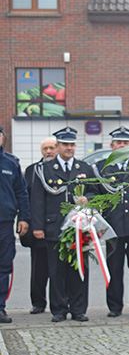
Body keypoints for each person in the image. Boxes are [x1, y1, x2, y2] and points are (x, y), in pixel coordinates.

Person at [30, 127, 95, 322]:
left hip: (79, 228)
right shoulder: (44, 169)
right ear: (57, 146)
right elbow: (37, 199)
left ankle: (79, 309)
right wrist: (38, 226)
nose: (69, 148)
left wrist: (88, 198)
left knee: (78, 269)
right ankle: (58, 310)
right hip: (54, 226)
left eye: (72, 145)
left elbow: (96, 192)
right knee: (56, 270)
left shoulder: (84, 168)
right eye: (65, 144)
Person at [93, 127, 129, 317]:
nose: (122, 145)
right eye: (118, 143)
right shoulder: (102, 167)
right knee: (114, 270)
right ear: (111, 146)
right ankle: (114, 307)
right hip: (112, 227)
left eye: (126, 142)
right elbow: (94, 193)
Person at [21, 137, 57, 314]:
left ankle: (58, 303)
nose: (49, 151)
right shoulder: (32, 170)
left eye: (51, 148)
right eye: (45, 149)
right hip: (38, 226)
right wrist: (30, 223)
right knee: (39, 269)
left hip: (56, 227)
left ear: (57, 149)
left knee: (57, 269)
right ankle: (38, 303)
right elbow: (28, 198)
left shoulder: (60, 170)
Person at [0, 125, 30, 323]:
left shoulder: (11, 163)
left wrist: (24, 218)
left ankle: (0, 307)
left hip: (4, 221)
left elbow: (21, 192)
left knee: (3, 265)